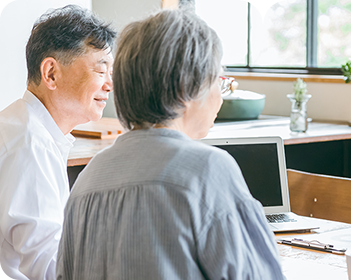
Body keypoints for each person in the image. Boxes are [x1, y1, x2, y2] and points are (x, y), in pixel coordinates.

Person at [56, 8, 284, 280]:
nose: (220, 98)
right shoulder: (209, 169)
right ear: (186, 88)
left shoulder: (87, 180)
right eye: (218, 80)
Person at [0, 5, 115, 279]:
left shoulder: (22, 125)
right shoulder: (31, 145)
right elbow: (51, 269)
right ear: (51, 73)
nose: (110, 85)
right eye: (101, 71)